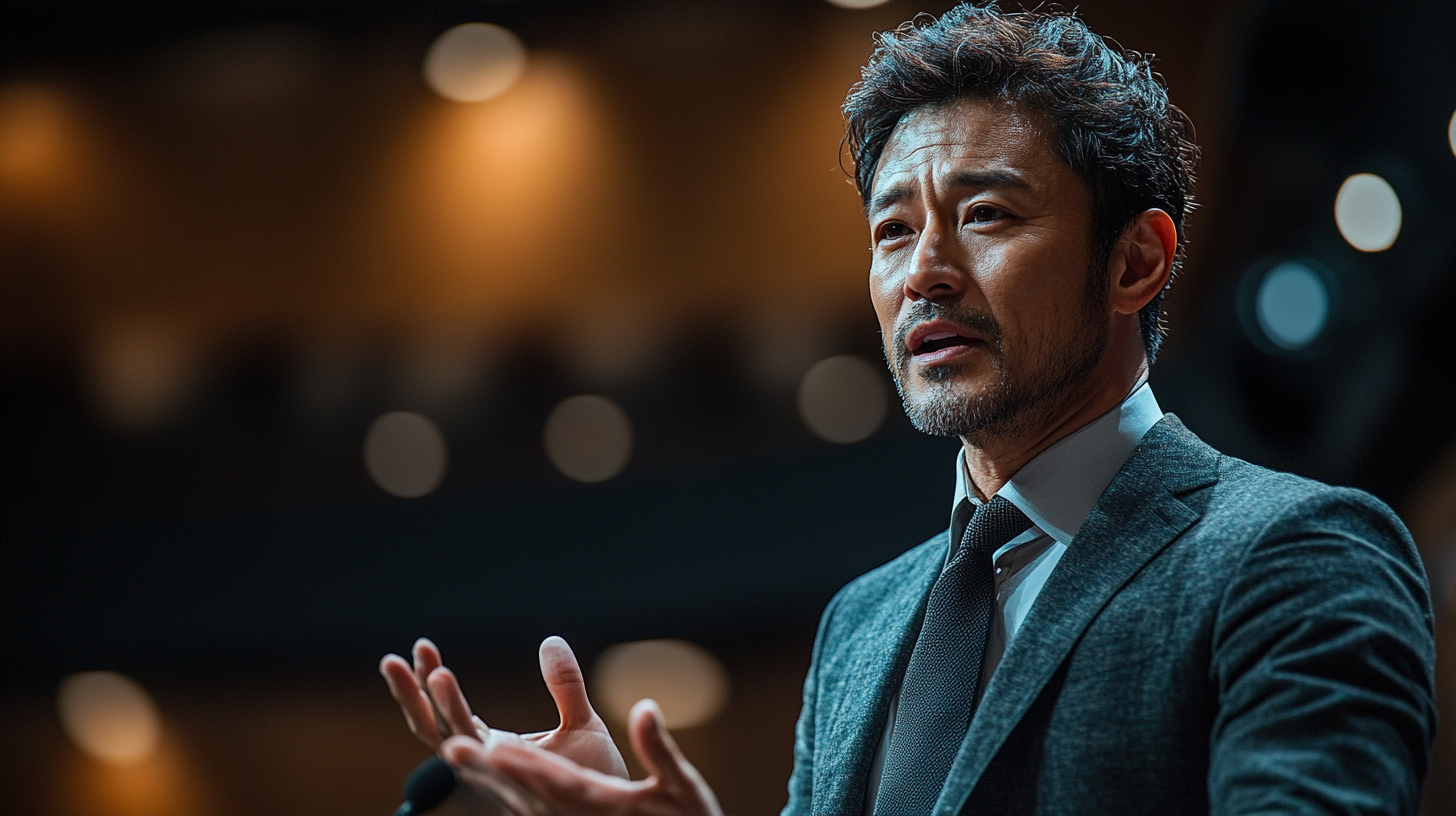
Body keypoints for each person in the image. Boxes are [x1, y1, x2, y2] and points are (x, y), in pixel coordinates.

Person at [380, 5, 1438, 814]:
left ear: (1135, 260)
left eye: (985, 213)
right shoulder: (862, 624)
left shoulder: (1294, 553)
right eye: (892, 233)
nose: (923, 271)